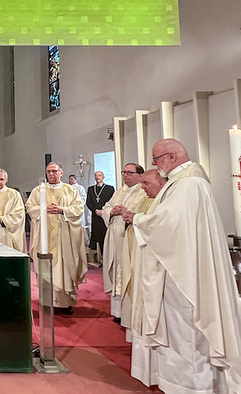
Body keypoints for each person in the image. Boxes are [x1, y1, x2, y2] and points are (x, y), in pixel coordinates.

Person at [123, 139, 241, 393]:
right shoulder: (184, 182)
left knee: (185, 329)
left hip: (183, 271)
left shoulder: (187, 184)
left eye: (156, 158)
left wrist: (137, 219)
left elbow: (167, 224)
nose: (154, 163)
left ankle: (190, 387)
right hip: (182, 262)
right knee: (179, 329)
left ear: (171, 157)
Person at [26, 162, 87, 313]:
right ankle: (47, 302)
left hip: (64, 237)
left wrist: (62, 210)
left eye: (54, 171)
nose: (51, 174)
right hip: (44, 238)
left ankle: (65, 303)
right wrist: (44, 208)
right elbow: (30, 207)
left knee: (64, 267)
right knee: (46, 268)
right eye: (48, 171)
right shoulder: (38, 190)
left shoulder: (70, 190)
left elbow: (79, 208)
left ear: (61, 172)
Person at [123, 168, 165, 386]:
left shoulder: (164, 201)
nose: (142, 187)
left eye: (146, 183)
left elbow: (161, 228)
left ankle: (157, 370)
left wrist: (136, 219)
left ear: (161, 183)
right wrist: (131, 217)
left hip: (154, 267)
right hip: (141, 262)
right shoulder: (146, 199)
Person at [98, 163, 146, 323]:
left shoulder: (144, 192)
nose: (126, 175)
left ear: (140, 175)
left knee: (127, 270)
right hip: (115, 237)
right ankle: (118, 311)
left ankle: (129, 311)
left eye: (130, 173)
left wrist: (125, 212)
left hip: (130, 238)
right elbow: (106, 207)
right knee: (117, 269)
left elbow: (144, 214)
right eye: (124, 172)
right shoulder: (121, 191)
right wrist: (111, 212)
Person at [86, 170, 115, 262]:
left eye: (99, 175)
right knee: (98, 237)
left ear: (103, 177)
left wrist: (103, 211)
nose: (97, 177)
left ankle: (108, 258)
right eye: (96, 175)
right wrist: (95, 210)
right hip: (96, 216)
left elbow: (112, 201)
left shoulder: (109, 188)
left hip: (105, 215)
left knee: (106, 236)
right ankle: (101, 257)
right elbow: (88, 202)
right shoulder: (91, 189)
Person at [68, 174, 89, 245]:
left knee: (79, 226)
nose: (70, 180)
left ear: (76, 180)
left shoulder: (80, 188)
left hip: (77, 209)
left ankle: (83, 242)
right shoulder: (67, 188)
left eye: (71, 179)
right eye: (69, 179)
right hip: (69, 209)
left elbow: (83, 198)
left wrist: (76, 205)